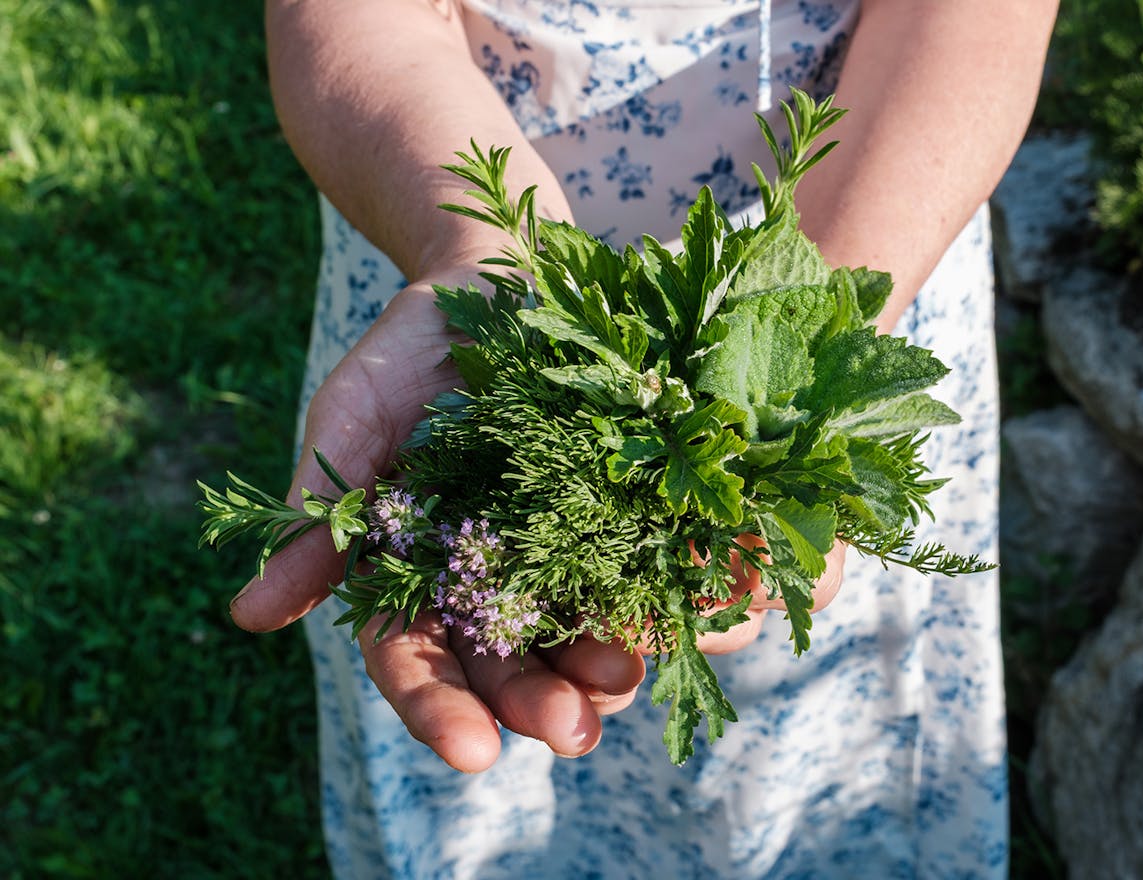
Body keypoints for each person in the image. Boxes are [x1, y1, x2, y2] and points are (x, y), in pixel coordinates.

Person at [230, 0, 1057, 875]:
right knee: (480, 781)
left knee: (809, 769)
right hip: (442, 215)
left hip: (870, 214)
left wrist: (802, 347)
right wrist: (476, 247)